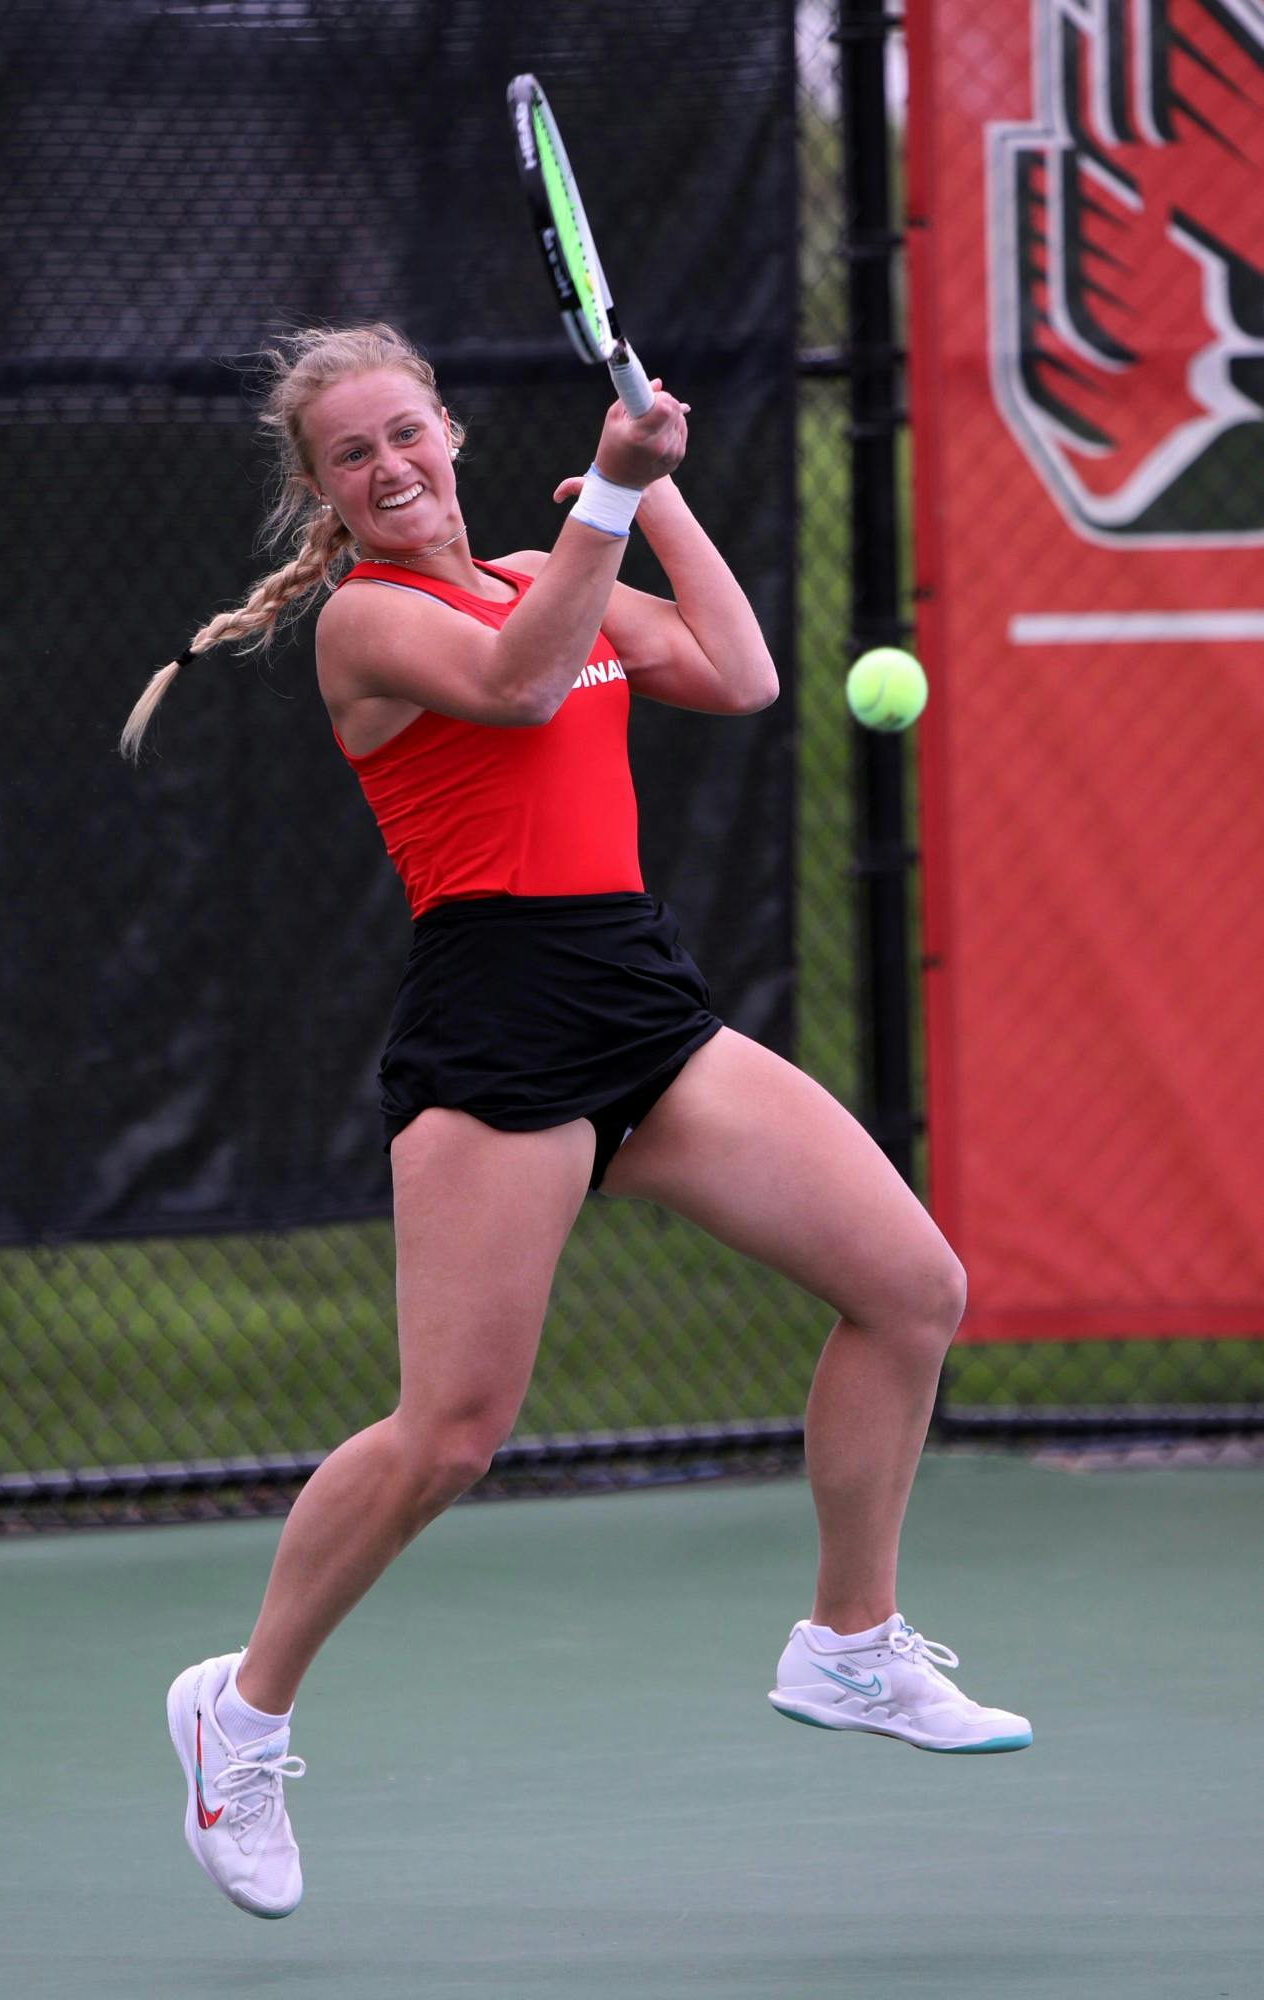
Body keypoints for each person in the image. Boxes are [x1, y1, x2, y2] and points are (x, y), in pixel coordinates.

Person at [123, 322, 1030, 1923]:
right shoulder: (370, 622)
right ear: (321, 489)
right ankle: (241, 1709)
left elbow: (739, 674)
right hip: (496, 1032)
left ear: (450, 431)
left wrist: (651, 500)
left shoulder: (559, 561)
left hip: (641, 997)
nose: (390, 467)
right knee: (451, 1432)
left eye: (407, 431)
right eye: (352, 454)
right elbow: (518, 681)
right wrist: (612, 501)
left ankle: (847, 1645)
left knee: (910, 1289)